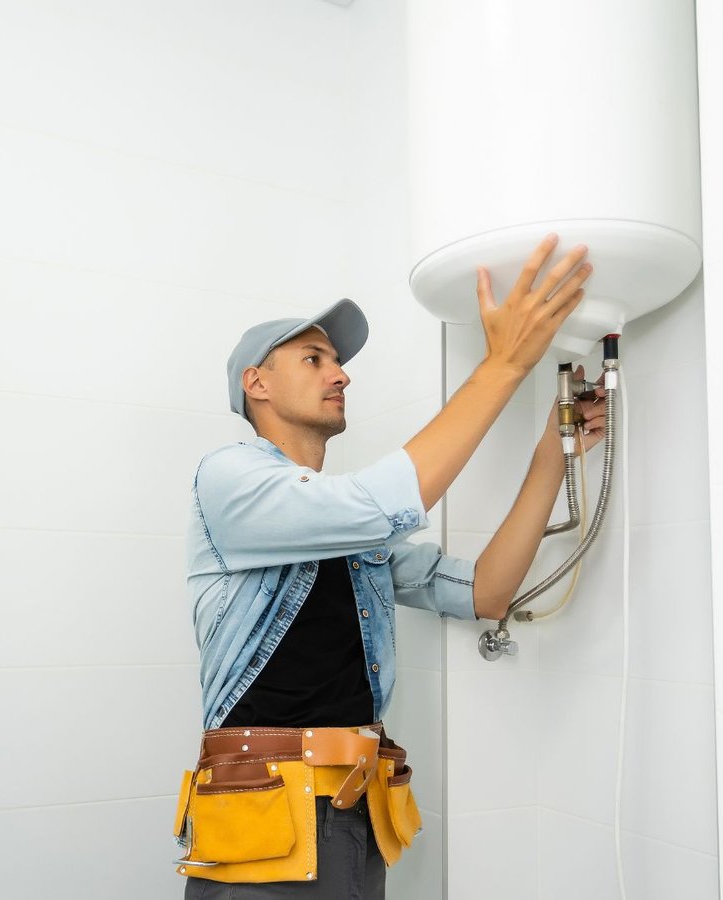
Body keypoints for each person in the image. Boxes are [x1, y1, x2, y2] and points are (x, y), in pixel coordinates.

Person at [177, 235, 606, 898]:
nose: (340, 373)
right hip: (263, 816)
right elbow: (381, 504)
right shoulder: (229, 479)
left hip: (353, 813)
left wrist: (557, 445)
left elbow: (488, 590)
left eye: (338, 362)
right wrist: (504, 365)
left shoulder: (344, 531)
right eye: (314, 357)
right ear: (255, 384)